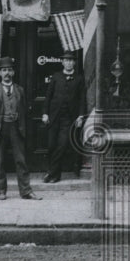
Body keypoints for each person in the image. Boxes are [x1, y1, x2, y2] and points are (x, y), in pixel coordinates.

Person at [0, 56, 41, 200]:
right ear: (0, 73)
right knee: (0, 160)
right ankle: (1, 191)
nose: (7, 73)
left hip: (16, 127)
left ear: (13, 72)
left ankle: (26, 191)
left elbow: (25, 112)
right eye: (4, 70)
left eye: (9, 70)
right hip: (0, 127)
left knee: (21, 160)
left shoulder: (20, 90)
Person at [41, 51, 86, 183]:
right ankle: (54, 173)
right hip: (54, 117)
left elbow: (82, 99)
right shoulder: (56, 77)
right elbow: (48, 97)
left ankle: (52, 173)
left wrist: (81, 116)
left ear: (74, 63)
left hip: (69, 118)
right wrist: (45, 113)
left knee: (62, 145)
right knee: (51, 145)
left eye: (71, 60)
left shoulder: (79, 79)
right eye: (66, 60)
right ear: (62, 62)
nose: (68, 63)